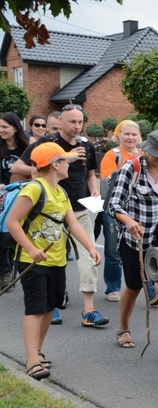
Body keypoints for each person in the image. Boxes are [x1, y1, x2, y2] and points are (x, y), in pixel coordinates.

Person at [5, 142, 101, 380]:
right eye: (65, 161)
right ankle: (31, 359)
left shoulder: (61, 192)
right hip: (32, 261)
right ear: (55, 165)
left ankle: (37, 351)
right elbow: (13, 222)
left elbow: (73, 223)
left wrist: (90, 248)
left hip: (57, 260)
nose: (69, 165)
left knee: (49, 308)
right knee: (35, 309)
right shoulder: (34, 189)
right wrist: (31, 248)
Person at [12, 104, 108, 328]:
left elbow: (91, 174)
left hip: (80, 210)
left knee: (88, 257)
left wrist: (94, 188)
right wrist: (57, 161)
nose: (77, 126)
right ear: (60, 122)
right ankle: (52, 306)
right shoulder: (47, 143)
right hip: (49, 211)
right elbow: (19, 166)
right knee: (54, 259)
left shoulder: (87, 146)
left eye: (80, 122)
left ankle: (89, 310)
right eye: (72, 121)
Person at [107, 130, 158, 359]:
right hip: (136, 238)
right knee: (134, 285)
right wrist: (129, 221)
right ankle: (123, 327)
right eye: (156, 154)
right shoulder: (131, 168)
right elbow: (114, 205)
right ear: (146, 149)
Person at [99, 120, 142, 303]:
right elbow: (108, 180)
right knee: (113, 250)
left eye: (134, 134)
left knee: (141, 248)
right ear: (118, 136)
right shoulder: (112, 155)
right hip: (115, 209)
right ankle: (113, 288)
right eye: (127, 134)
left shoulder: (143, 155)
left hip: (138, 210)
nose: (131, 138)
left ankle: (147, 288)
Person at [0, 111, 30, 288]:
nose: (1, 130)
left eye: (4, 127)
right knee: (3, 231)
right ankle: (5, 273)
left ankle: (17, 267)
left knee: (19, 231)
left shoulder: (26, 147)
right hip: (2, 195)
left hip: (24, 194)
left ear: (14, 128)